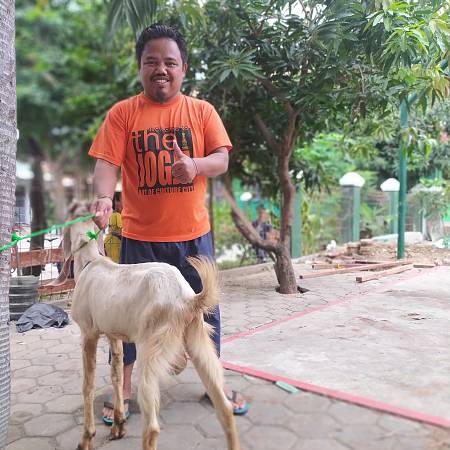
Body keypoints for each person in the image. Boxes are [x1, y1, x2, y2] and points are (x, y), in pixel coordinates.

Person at [89, 24, 249, 424]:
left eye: (170, 62)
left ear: (183, 68)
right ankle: (124, 389)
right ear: (140, 67)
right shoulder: (123, 113)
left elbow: (221, 159)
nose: (161, 69)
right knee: (128, 316)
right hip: (140, 239)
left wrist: (194, 165)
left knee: (204, 314)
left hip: (193, 238)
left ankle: (215, 386)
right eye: (152, 61)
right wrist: (105, 197)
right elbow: (106, 163)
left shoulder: (202, 111)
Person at [103, 191, 123, 263]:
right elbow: (118, 232)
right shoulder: (116, 215)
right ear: (116, 202)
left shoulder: (114, 214)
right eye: (122, 200)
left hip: (111, 243)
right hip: (113, 244)